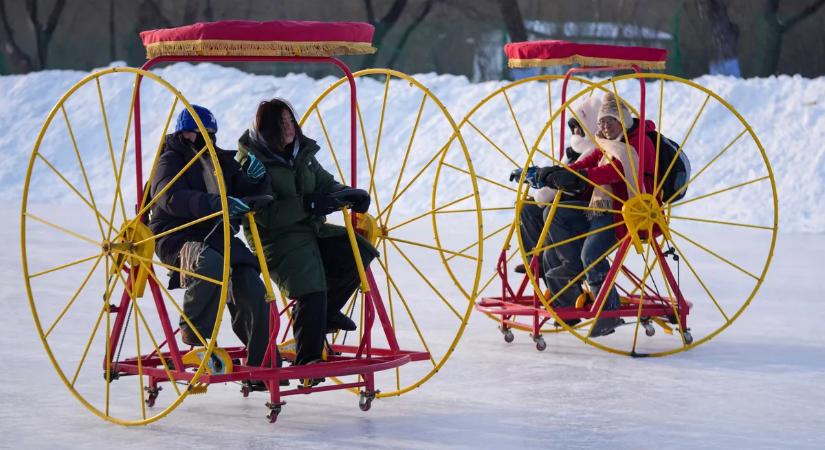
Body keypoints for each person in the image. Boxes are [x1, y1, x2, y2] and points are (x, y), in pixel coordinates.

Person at [236, 98, 378, 367]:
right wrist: (307, 205)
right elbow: (266, 214)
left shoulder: (300, 153)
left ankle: (325, 313)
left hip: (311, 230)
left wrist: (347, 194)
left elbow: (324, 183)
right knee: (311, 285)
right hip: (276, 240)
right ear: (268, 129)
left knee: (357, 251)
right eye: (282, 124)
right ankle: (309, 360)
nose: (289, 128)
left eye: (291, 121)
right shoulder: (253, 162)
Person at [147, 105, 272, 368]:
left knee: (252, 284)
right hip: (177, 236)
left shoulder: (217, 159)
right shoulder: (169, 160)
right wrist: (216, 204)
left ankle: (262, 363)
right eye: (198, 132)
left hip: (216, 235)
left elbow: (240, 190)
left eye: (210, 132)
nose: (205, 137)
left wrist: (255, 181)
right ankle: (193, 327)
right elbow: (170, 197)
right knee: (211, 263)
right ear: (183, 132)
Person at [533, 91, 657, 337]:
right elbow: (585, 163)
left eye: (610, 121)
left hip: (628, 214)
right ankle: (571, 273)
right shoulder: (606, 143)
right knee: (555, 214)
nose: (605, 127)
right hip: (602, 209)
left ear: (622, 121)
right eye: (601, 122)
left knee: (591, 254)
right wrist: (557, 173)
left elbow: (615, 171)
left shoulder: (637, 144)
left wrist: (582, 177)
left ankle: (609, 312)